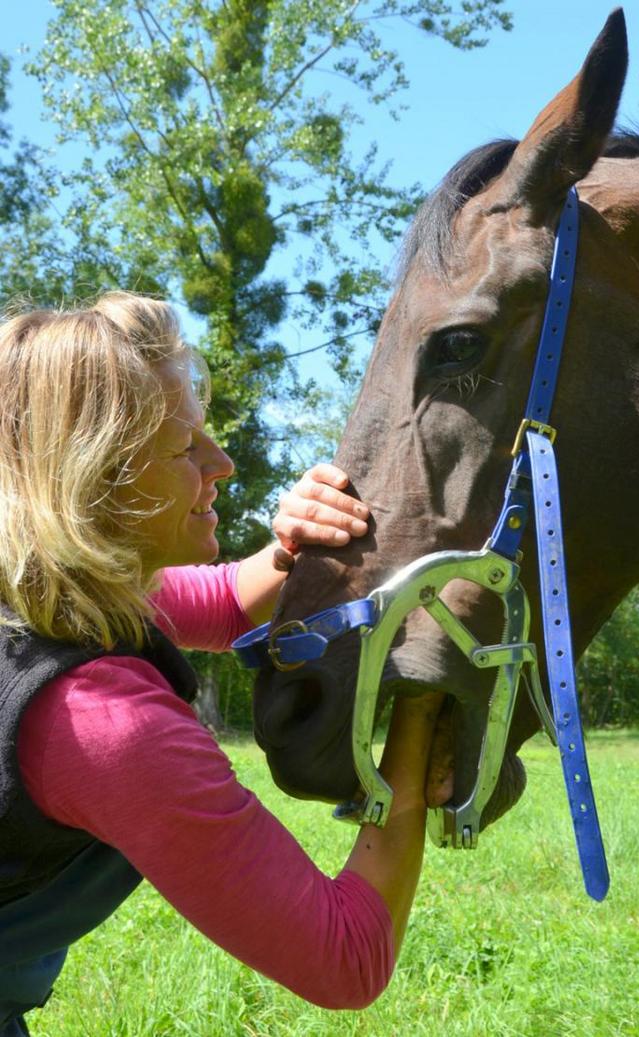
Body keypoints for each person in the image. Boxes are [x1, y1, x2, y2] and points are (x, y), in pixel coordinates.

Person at [0, 293, 442, 1035]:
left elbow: (227, 598)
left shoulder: (40, 598)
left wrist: (293, 546)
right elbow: (345, 955)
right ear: (91, 477)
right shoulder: (107, 724)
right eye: (183, 448)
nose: (223, 463)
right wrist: (423, 712)